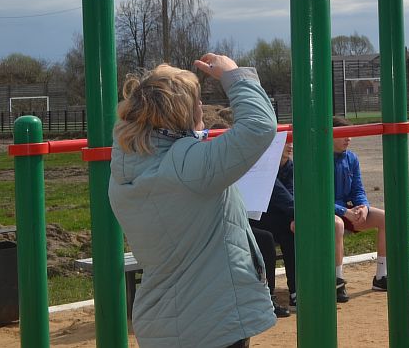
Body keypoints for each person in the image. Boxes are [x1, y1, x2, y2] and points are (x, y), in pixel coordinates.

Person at [109, 53, 277, 348]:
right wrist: (235, 76)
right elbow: (259, 127)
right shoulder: (186, 167)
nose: (202, 107)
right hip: (211, 321)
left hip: (164, 321)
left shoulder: (128, 167)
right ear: (182, 113)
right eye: (197, 101)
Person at [333, 116, 387, 302]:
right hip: (326, 211)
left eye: (350, 135)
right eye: (344, 135)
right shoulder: (319, 158)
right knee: (338, 225)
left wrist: (363, 207)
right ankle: (337, 281)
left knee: (385, 218)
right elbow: (319, 197)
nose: (349, 139)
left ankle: (381, 276)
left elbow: (358, 189)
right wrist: (345, 212)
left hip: (347, 210)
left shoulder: (351, 158)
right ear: (331, 135)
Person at [257, 137, 298, 309]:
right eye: (285, 141)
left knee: (291, 234)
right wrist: (298, 216)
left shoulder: (290, 167)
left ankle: (296, 291)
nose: (290, 145)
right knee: (267, 239)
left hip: (280, 217)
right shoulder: (264, 166)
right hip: (258, 218)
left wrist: (294, 218)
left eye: (291, 141)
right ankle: (269, 295)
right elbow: (279, 195)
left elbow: (292, 194)